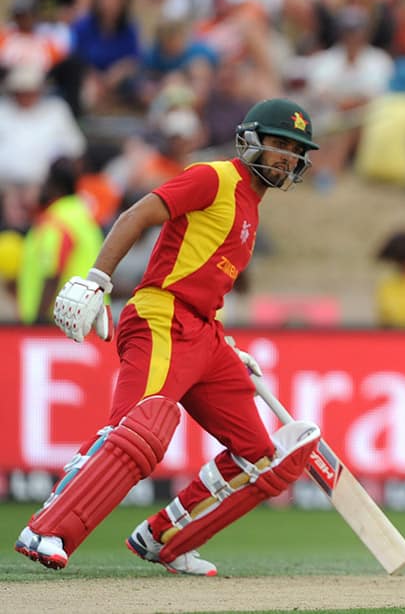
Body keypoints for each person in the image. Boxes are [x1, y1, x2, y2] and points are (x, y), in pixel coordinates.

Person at [14, 98, 323, 576]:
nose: (286, 156)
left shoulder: (252, 212)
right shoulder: (213, 177)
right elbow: (137, 214)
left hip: (204, 332)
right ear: (253, 141)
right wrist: (98, 278)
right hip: (162, 316)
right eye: (280, 144)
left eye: (295, 149)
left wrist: (228, 349)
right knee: (138, 429)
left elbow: (206, 283)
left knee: (260, 458)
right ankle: (47, 527)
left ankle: (166, 538)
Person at [17, 157, 103, 325]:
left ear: (53, 185)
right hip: (89, 317)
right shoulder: (83, 216)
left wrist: (39, 320)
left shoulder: (57, 221)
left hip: (61, 322)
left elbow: (53, 273)